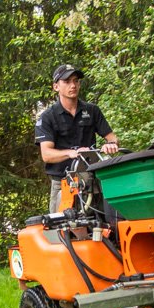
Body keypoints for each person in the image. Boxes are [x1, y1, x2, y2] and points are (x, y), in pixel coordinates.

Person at [35, 63, 119, 212]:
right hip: (62, 182)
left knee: (101, 224)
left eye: (76, 81)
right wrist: (70, 153)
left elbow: (113, 138)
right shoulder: (48, 117)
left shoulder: (92, 110)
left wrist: (110, 145)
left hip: (91, 180)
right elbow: (46, 155)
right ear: (56, 87)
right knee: (60, 229)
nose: (72, 85)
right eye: (67, 82)